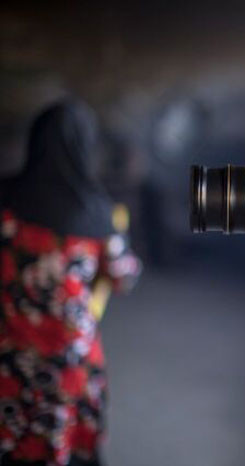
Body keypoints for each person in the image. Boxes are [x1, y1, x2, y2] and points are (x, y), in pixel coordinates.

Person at [0, 100, 141, 466]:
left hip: (9, 349)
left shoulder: (5, 198)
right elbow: (124, 276)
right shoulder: (96, 213)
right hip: (66, 360)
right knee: (58, 443)